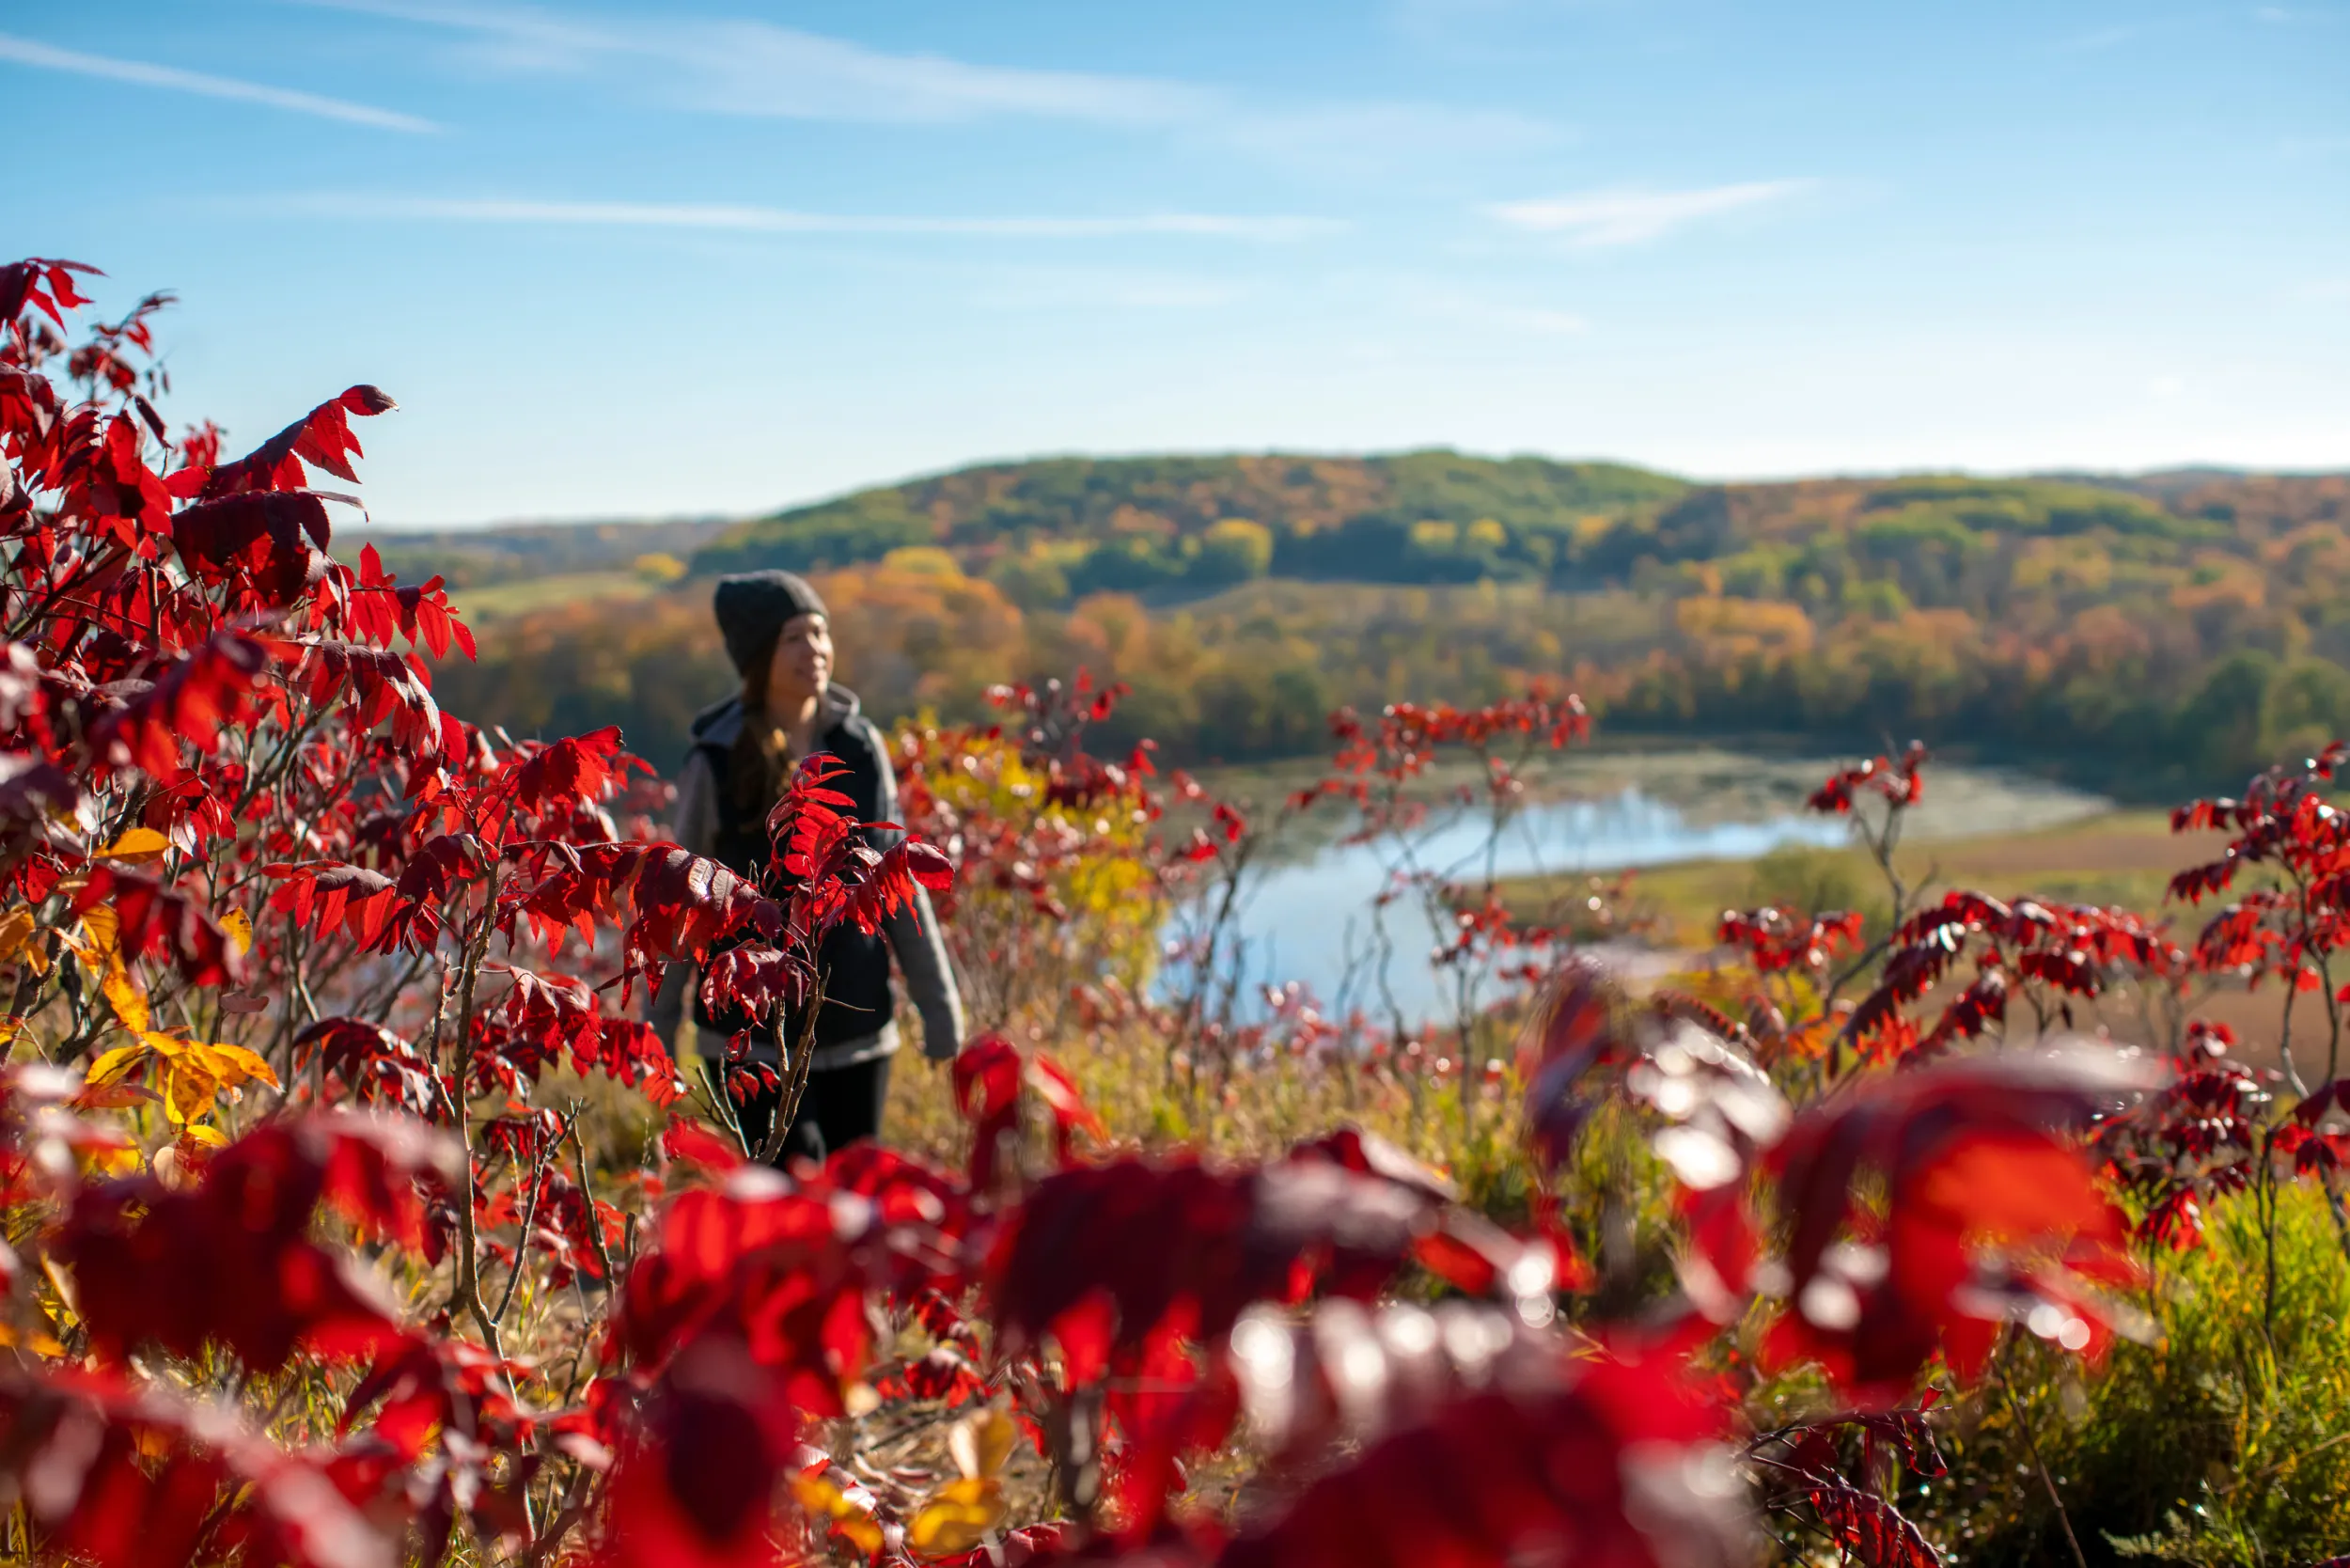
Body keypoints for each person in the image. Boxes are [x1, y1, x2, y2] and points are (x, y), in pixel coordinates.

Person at [650, 569, 964, 1164]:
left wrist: (939, 1007)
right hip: (749, 1039)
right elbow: (679, 901)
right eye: (793, 637)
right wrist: (658, 1028)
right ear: (758, 655)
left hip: (856, 1029)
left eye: (820, 632)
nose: (814, 650)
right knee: (788, 1199)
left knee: (852, 1203)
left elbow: (899, 883)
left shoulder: (861, 747)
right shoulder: (714, 761)